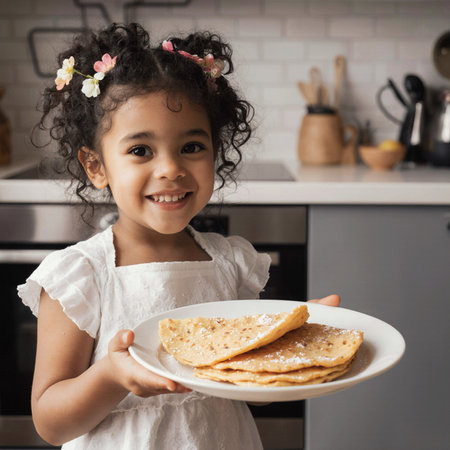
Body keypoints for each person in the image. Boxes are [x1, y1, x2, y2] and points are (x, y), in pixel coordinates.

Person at [18, 23, 340, 450]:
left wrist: (291, 339)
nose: (170, 168)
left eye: (191, 147)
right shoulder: (80, 276)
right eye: (140, 150)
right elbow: (51, 423)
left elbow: (251, 384)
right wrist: (112, 375)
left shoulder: (231, 265)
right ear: (96, 167)